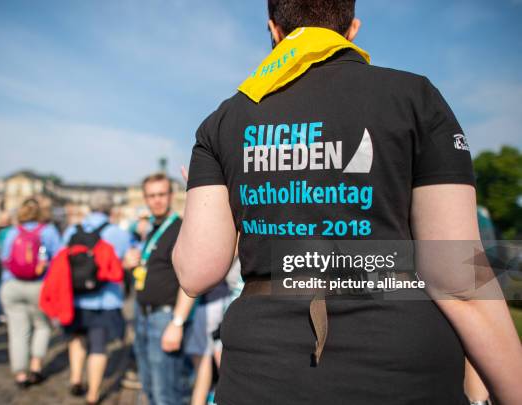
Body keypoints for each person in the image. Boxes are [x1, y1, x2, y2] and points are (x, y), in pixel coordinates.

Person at [173, 1, 522, 404]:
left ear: (274, 29)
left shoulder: (223, 121)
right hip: (401, 369)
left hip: (262, 373)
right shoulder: (415, 98)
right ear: (351, 28)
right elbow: (460, 278)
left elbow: (197, 272)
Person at [47, 191, 131, 404]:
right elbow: (127, 260)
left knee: (76, 338)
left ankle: (76, 379)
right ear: (110, 208)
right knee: (98, 346)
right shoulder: (117, 233)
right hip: (105, 299)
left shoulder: (72, 231)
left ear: (89, 207)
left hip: (75, 298)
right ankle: (93, 394)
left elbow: (60, 259)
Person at [124, 173, 194, 405]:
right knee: (149, 389)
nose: (157, 200)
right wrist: (131, 263)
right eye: (152, 195)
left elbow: (189, 278)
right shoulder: (152, 228)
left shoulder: (180, 228)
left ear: (171, 195)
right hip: (142, 314)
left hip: (165, 317)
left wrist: (177, 323)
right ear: (145, 198)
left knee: (167, 393)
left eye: (162, 194)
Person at [0, 198, 61, 388]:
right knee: (42, 326)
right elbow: (58, 257)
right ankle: (35, 367)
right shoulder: (48, 231)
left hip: (12, 285)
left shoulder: (12, 232)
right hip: (39, 286)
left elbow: (4, 257)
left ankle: (20, 374)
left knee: (17, 331)